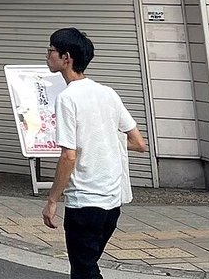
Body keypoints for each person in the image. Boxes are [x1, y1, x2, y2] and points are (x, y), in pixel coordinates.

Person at [41, 27, 149, 279]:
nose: (47, 55)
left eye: (51, 50)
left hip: (85, 202)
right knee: (87, 266)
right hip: (112, 203)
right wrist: (103, 141)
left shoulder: (68, 98)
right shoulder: (107, 93)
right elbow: (138, 143)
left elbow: (69, 156)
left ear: (66, 58)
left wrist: (52, 200)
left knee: (84, 271)